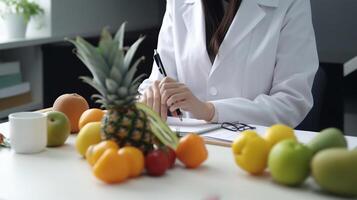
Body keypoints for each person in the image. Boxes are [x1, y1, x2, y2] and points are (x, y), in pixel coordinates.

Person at [138, 0, 319, 127]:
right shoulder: (179, 2)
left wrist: (210, 111)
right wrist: (152, 94)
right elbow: (160, 78)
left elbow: (292, 101)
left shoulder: (291, 3)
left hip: (256, 151)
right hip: (189, 148)